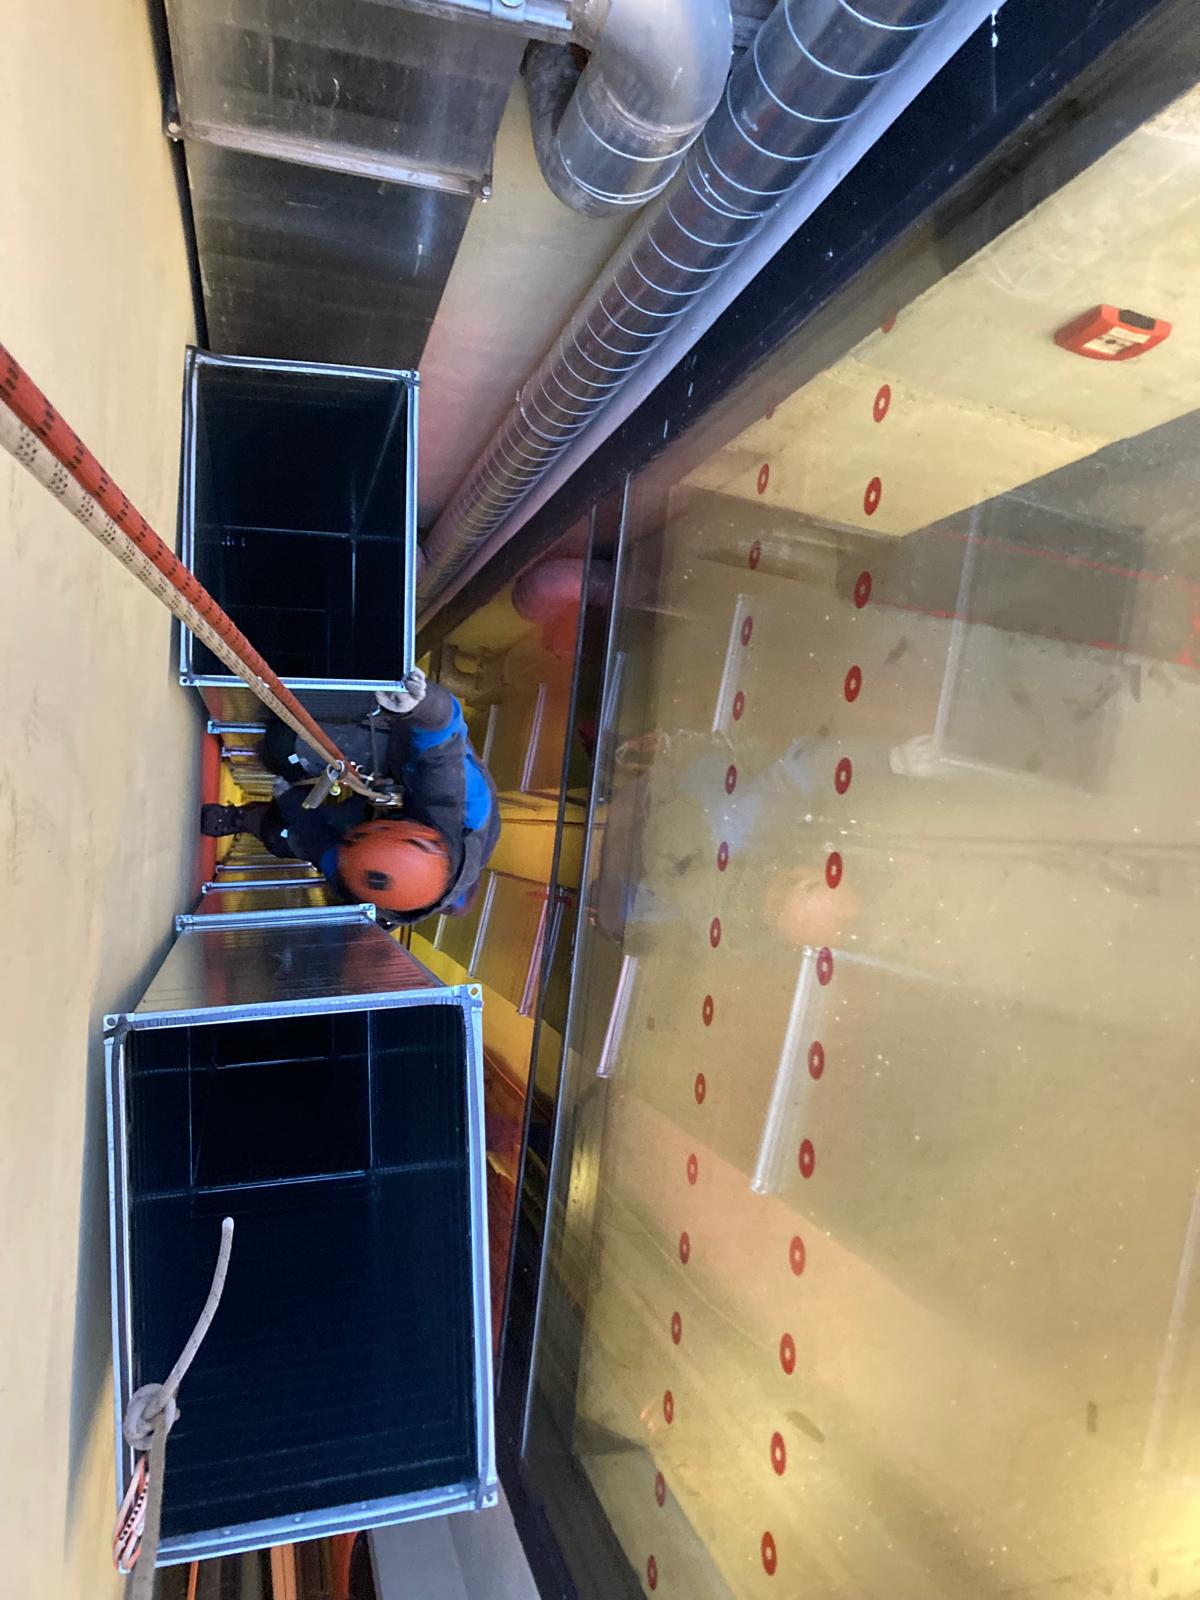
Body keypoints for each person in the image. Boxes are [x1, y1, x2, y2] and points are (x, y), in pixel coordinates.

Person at [200, 669, 499, 923]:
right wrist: (418, 705)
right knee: (282, 748)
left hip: (387, 820)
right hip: (405, 765)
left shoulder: (364, 884)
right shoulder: (461, 800)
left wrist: (291, 805)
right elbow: (442, 731)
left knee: (283, 836)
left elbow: (321, 847)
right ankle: (289, 759)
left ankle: (245, 818)